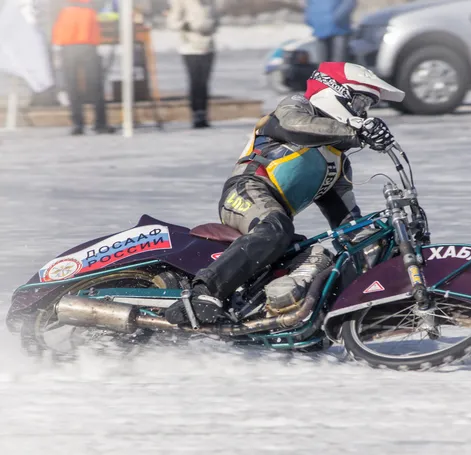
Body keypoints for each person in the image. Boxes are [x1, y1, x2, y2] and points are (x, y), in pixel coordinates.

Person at [165, 62, 405, 325]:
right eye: (360, 103)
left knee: (317, 259)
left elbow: (347, 224)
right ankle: (203, 293)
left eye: (368, 108)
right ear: (335, 90)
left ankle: (296, 322)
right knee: (276, 228)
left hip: (275, 216)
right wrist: (354, 131)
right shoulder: (295, 107)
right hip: (246, 190)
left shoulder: (337, 164)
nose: (363, 113)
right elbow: (295, 126)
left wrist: (380, 244)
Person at [52, 0, 115, 135]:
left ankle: (96, 122)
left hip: (85, 39)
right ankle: (80, 123)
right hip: (71, 39)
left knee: (93, 83)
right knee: (74, 85)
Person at [167, 0, 218, 129]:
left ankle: (203, 114)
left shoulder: (210, 3)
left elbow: (216, 19)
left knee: (204, 82)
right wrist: (187, 26)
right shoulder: (183, 2)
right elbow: (172, 22)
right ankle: (197, 114)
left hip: (208, 46)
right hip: (190, 47)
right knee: (195, 81)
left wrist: (210, 26)